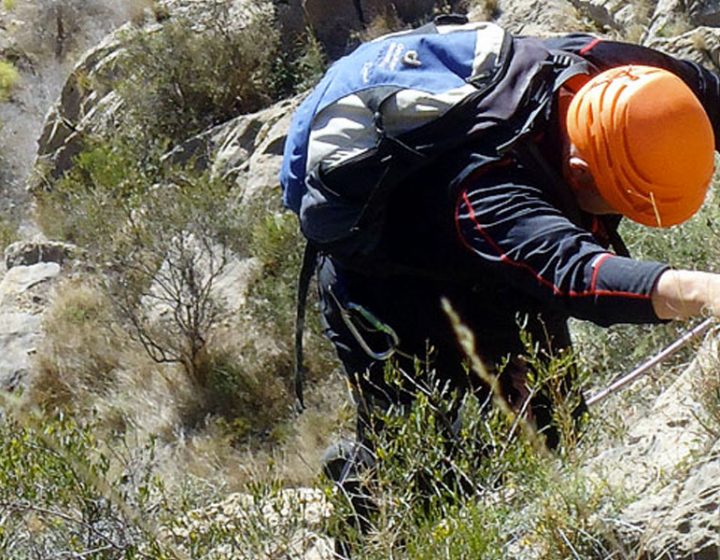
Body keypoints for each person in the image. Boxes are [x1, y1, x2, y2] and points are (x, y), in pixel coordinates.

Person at [280, 21, 720, 545]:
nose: (623, 219)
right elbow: (576, 272)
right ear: (578, 170)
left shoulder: (618, 79)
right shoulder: (490, 193)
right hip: (390, 293)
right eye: (618, 202)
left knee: (555, 425)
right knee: (421, 472)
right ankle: (361, 512)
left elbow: (710, 93)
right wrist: (706, 290)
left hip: (495, 262)